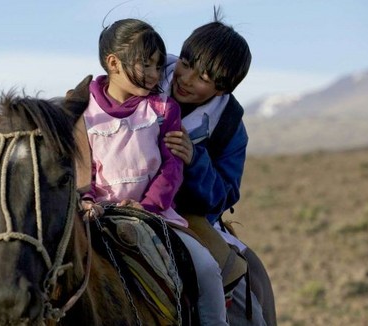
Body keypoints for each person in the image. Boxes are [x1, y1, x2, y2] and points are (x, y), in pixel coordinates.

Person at [78, 18, 229, 326]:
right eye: (145, 65)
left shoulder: (163, 110)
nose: (154, 75)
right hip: (97, 216)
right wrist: (86, 198)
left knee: (206, 268)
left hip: (155, 215)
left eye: (159, 67)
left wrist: (147, 206)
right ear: (113, 63)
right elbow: (82, 165)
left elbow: (172, 167)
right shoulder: (82, 113)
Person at [162, 8, 269, 325]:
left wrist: (195, 160)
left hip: (187, 218)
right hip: (111, 198)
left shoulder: (229, 128)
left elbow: (224, 195)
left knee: (238, 295)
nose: (186, 79)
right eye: (186, 64)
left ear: (222, 89)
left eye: (203, 79)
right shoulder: (144, 72)